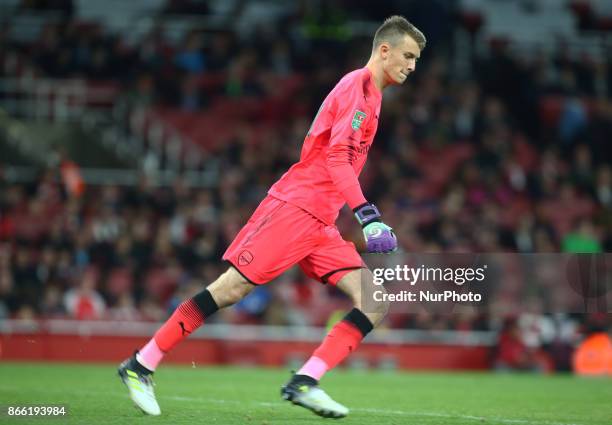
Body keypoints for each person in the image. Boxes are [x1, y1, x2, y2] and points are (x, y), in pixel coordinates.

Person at [118, 15, 425, 419]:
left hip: (321, 221)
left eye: (416, 59)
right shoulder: (357, 88)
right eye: (407, 55)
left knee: (373, 300)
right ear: (384, 50)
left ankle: (304, 382)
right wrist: (368, 216)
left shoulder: (373, 95)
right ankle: (141, 366)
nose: (412, 66)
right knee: (230, 290)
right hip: (295, 208)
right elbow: (337, 159)